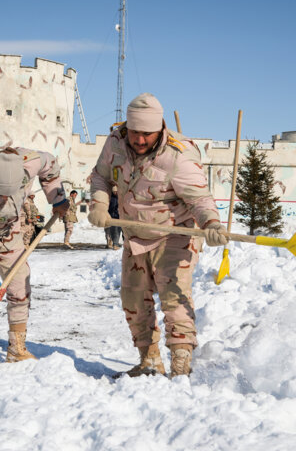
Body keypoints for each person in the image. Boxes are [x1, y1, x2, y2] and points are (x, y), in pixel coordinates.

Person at [88, 93, 228, 378]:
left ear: (160, 129)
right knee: (133, 299)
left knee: (174, 298)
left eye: (147, 135)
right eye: (135, 133)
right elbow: (101, 175)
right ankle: (149, 360)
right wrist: (99, 203)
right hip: (136, 235)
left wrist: (212, 223)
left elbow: (200, 199)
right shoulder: (116, 141)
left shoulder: (179, 155)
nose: (140, 141)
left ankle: (180, 363)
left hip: (175, 234)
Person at [0, 147, 69, 373]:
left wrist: (57, 199)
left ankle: (17, 348)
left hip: (9, 228)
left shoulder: (31, 162)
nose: (5, 198)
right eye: (0, 193)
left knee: (19, 282)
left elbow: (51, 166)